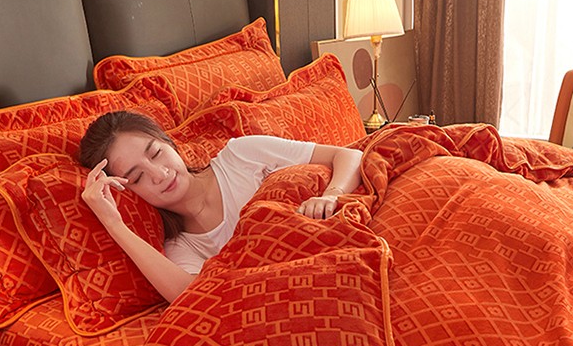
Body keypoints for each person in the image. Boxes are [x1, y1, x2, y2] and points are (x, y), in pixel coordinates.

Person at [78, 110, 364, 302]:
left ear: (169, 143)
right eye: (137, 177)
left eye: (156, 153)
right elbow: (187, 297)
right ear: (128, 193)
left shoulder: (241, 155)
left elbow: (348, 156)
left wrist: (332, 195)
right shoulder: (182, 246)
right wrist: (113, 223)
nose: (159, 174)